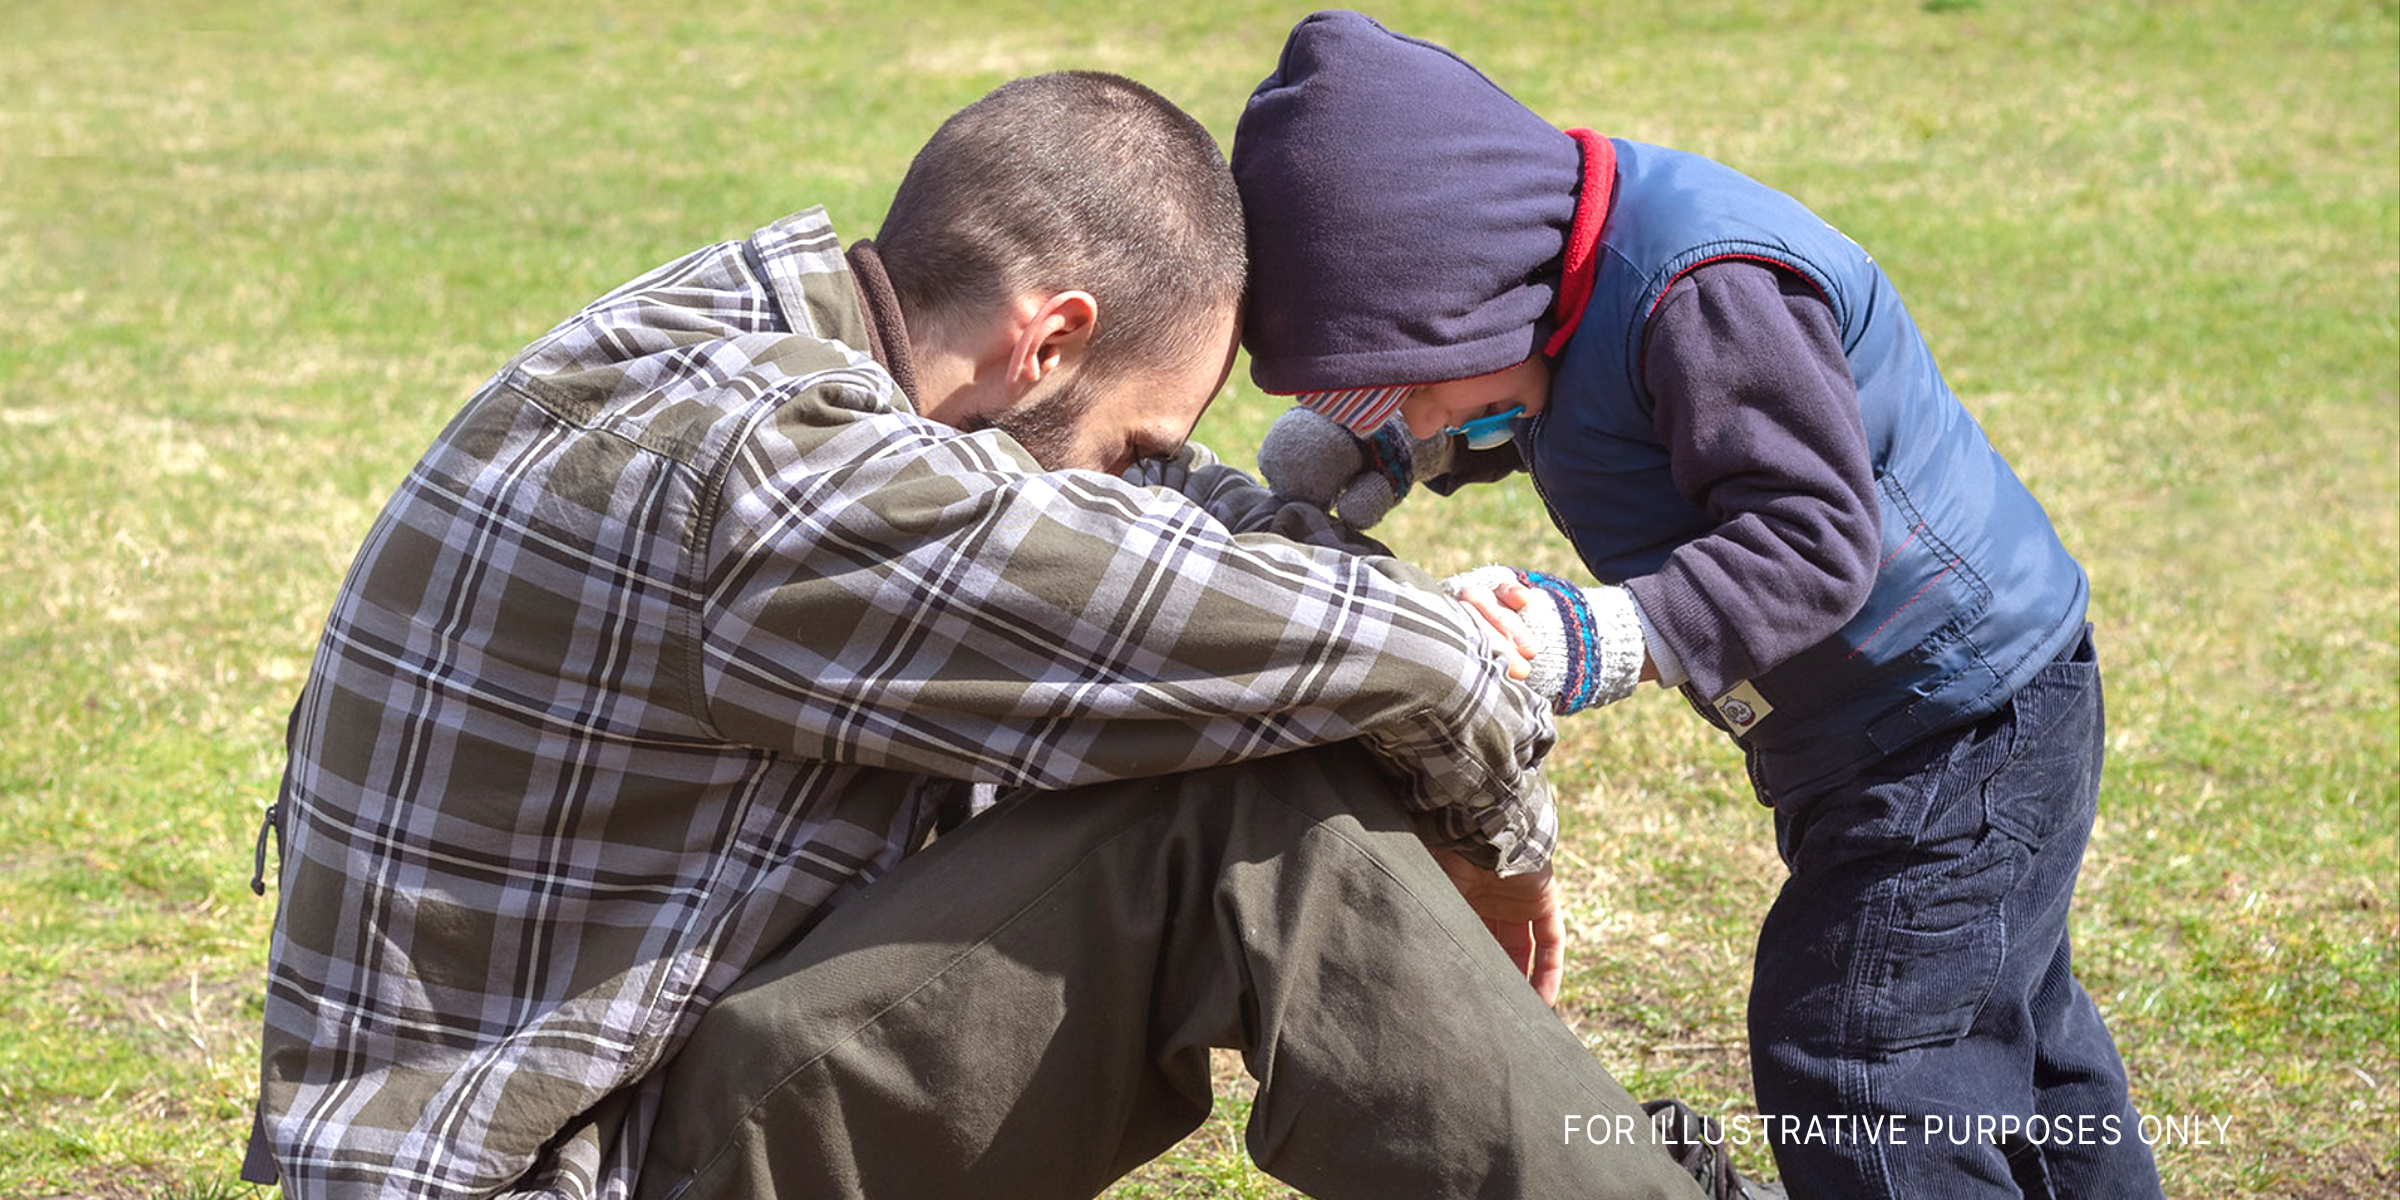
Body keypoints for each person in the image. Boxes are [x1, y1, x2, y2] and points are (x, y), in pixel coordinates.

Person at [239, 70, 1755, 1200]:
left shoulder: (753, 341)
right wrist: (1498, 840)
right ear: (1052, 337)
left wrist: (1299, 522)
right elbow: (1401, 659)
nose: (1153, 475)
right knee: (1245, 813)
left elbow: (1195, 546)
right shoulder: (791, 488)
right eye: (1144, 438)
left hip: (600, 1118)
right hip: (559, 1173)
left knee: (1234, 736)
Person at [1230, 12, 2165, 1200]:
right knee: (2008, 1036)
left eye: (1402, 385)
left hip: (1954, 720)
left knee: (1860, 1053)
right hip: (1894, 723)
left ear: (1472, 290)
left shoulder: (1703, 293)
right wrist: (1404, 454)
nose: (1404, 414)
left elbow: (1818, 537)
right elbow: (1563, 412)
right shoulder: (1552, 287)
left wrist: (1607, 633)